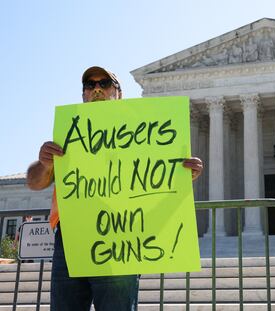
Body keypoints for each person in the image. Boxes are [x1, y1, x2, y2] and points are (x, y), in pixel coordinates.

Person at [26, 66, 204, 311]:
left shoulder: (144, 133)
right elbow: (34, 182)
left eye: (105, 83)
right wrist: (46, 163)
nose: (97, 88)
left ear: (119, 93)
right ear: (83, 95)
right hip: (72, 235)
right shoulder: (69, 133)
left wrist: (182, 174)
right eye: (90, 85)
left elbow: (159, 179)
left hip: (122, 235)